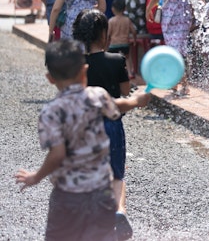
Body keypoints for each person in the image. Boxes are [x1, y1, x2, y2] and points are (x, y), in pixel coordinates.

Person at [14, 39, 149, 240]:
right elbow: (119, 105)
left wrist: (37, 176)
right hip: (101, 193)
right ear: (84, 70)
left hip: (68, 196)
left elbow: (57, 154)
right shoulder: (98, 96)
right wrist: (137, 100)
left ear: (50, 78)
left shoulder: (51, 112)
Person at [145, 0, 200, 96]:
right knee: (180, 49)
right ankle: (181, 83)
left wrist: (149, 9)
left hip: (170, 17)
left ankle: (180, 82)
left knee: (173, 50)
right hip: (185, 16)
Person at [108, 0, 137, 79]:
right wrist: (134, 40)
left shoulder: (111, 21)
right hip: (124, 43)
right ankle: (130, 73)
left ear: (113, 9)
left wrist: (106, 44)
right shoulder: (127, 20)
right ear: (124, 9)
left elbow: (108, 34)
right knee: (127, 58)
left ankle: (114, 73)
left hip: (113, 44)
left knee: (112, 59)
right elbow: (134, 31)